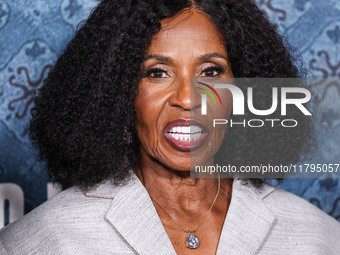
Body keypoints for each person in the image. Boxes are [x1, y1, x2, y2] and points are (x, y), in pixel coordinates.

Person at [1, 0, 339, 254]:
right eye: (156, 72)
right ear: (118, 93)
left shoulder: (317, 237)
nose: (188, 98)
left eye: (210, 71)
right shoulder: (50, 239)